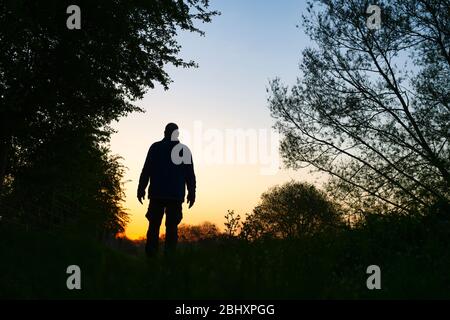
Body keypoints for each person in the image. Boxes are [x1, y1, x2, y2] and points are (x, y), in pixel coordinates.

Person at [137, 123, 196, 257]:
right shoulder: (184, 150)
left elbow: (146, 170)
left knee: (154, 227)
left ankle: (151, 260)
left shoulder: (155, 147)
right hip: (174, 195)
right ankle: (169, 261)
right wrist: (192, 193)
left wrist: (141, 188)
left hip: (157, 194)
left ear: (164, 132)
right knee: (171, 229)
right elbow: (190, 175)